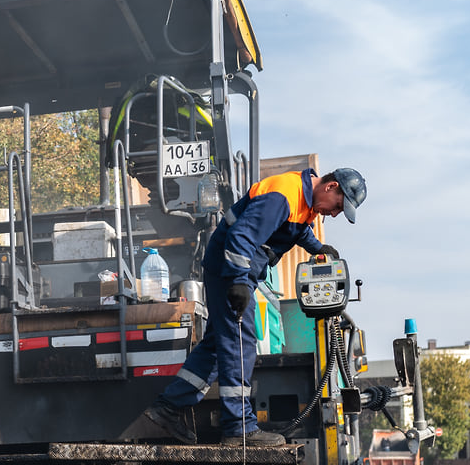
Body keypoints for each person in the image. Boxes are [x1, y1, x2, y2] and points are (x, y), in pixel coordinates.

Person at [139, 167, 366, 446]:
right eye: (338, 207)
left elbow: (294, 227)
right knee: (239, 341)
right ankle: (239, 429)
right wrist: (236, 282)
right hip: (231, 268)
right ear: (331, 187)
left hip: (233, 268)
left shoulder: (301, 199)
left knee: (217, 345)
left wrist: (317, 247)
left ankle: (168, 407)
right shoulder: (282, 196)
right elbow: (241, 238)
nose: (334, 214)